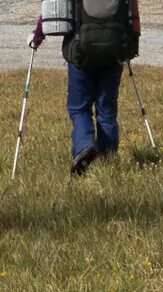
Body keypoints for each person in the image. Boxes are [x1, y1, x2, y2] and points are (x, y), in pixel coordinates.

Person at [28, 16, 119, 175]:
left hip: (80, 50)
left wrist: (37, 36)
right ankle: (108, 163)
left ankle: (84, 146)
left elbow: (54, 6)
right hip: (113, 49)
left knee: (79, 108)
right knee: (107, 110)